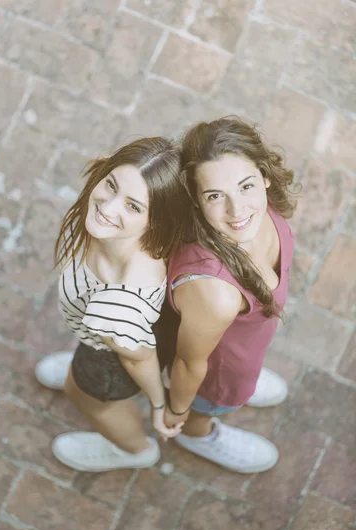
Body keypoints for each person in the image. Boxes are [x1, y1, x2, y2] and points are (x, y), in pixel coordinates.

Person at [35, 137, 188, 472]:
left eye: (133, 206)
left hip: (110, 361)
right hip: (105, 335)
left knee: (83, 395)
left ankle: (133, 450)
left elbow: (139, 359)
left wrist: (158, 403)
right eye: (111, 185)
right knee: (81, 369)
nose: (107, 207)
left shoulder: (119, 304)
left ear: (156, 220)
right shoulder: (112, 230)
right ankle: (79, 362)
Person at [162, 116, 297, 473]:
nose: (238, 211)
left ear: (265, 174)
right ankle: (199, 435)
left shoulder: (265, 208)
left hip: (243, 346)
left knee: (244, 372)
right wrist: (176, 411)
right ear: (195, 198)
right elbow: (191, 364)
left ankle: (247, 378)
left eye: (246, 186)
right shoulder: (215, 290)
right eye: (215, 196)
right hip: (217, 374)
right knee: (211, 405)